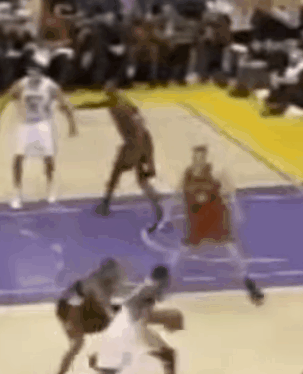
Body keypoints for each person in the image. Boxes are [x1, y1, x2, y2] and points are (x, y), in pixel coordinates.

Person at [160, 145, 265, 305]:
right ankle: (163, 283)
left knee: (231, 249)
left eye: (201, 157)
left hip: (215, 217)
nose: (199, 160)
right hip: (196, 219)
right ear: (192, 158)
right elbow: (175, 195)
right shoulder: (186, 175)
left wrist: (236, 208)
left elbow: (231, 191)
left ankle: (249, 283)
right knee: (182, 249)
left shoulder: (216, 173)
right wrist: (167, 215)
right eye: (196, 157)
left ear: (205, 158)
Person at [75, 80, 165, 232]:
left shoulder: (120, 106)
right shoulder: (121, 101)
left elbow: (139, 127)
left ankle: (106, 204)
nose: (106, 94)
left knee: (118, 171)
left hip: (134, 144)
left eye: (107, 92)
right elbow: (98, 104)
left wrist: (144, 156)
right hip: (141, 142)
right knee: (139, 178)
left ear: (113, 91)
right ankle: (156, 205)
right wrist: (78, 106)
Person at [0, 52, 78, 209]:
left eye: (36, 71)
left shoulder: (50, 86)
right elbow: (4, 99)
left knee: (48, 158)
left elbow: (65, 104)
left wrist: (72, 124)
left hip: (43, 125)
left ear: (41, 72)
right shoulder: (21, 84)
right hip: (25, 125)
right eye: (30, 71)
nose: (32, 74)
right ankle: (17, 193)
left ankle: (50, 188)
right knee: (18, 158)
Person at [89, 266, 180, 374]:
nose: (168, 281)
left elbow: (129, 306)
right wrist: (164, 322)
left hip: (131, 328)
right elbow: (143, 313)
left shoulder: (148, 287)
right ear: (162, 278)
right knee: (168, 355)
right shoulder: (151, 289)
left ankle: (96, 367)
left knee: (124, 364)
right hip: (136, 328)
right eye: (167, 278)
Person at [55, 258, 125, 374]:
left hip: (79, 310)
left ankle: (94, 361)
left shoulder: (103, 285)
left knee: (83, 340)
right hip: (68, 309)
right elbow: (104, 304)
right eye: (114, 277)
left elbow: (106, 306)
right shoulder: (94, 283)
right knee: (78, 343)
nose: (115, 280)